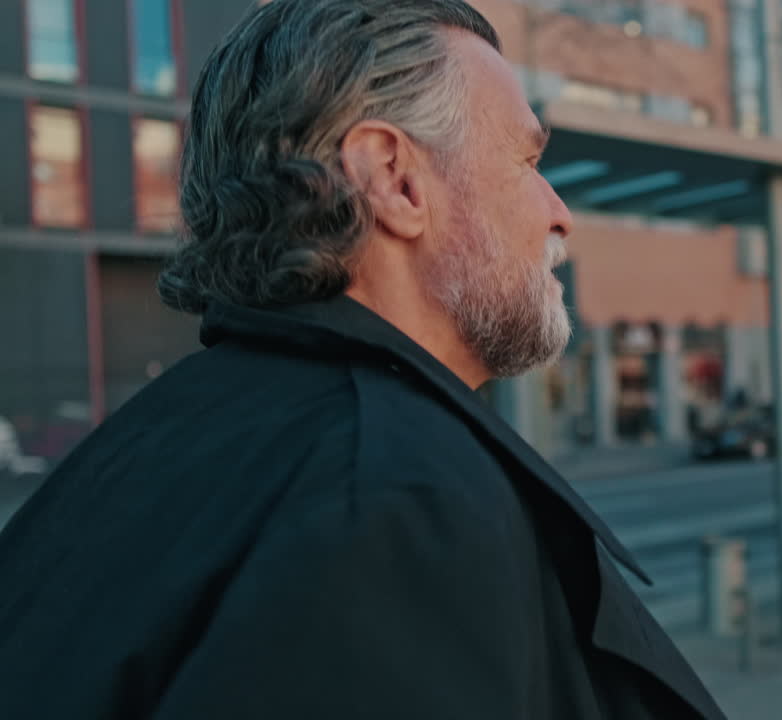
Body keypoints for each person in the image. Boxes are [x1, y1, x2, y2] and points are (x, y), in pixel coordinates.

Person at [0, 2, 725, 718]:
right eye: (527, 160)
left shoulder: (148, 449)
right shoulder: (395, 499)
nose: (559, 211)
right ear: (395, 180)